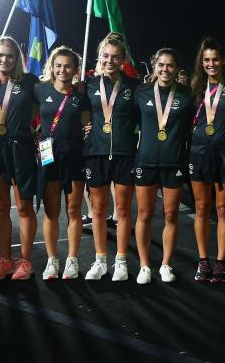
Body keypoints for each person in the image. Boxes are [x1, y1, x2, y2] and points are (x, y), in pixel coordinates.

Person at [133, 48, 193, 284]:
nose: (165, 69)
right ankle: (144, 265)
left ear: (177, 69)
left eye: (170, 65)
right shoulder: (142, 92)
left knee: (170, 214)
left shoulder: (187, 95)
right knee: (145, 214)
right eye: (161, 65)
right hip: (146, 160)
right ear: (154, 66)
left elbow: (189, 128)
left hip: (173, 161)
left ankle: (166, 264)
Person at [0, 36, 40, 280]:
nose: (4, 59)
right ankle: (5, 259)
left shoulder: (29, 82)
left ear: (17, 59)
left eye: (10, 55)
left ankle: (25, 261)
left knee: (24, 206)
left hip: (21, 147)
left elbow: (44, 106)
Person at [83, 33, 140, 281]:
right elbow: (81, 112)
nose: (110, 60)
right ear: (99, 57)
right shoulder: (89, 85)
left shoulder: (134, 87)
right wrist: (85, 126)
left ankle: (121, 261)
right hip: (95, 152)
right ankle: (100, 260)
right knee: (98, 210)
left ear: (123, 59)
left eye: (115, 57)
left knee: (123, 210)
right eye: (106, 56)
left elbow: (143, 119)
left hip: (125, 154)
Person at [35, 47, 91, 280]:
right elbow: (29, 118)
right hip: (49, 157)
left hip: (75, 157)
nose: (62, 70)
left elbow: (87, 126)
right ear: (52, 66)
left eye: (68, 66)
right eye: (58, 65)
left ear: (75, 69)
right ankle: (52, 260)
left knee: (74, 210)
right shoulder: (39, 90)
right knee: (51, 211)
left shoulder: (81, 95)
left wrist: (88, 130)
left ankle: (72, 260)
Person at [189, 37, 225, 283]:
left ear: (223, 61)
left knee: (222, 209)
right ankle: (203, 261)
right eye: (206, 59)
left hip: (224, 154)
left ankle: (220, 262)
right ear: (202, 61)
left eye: (215, 59)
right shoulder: (194, 88)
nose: (211, 64)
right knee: (201, 208)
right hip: (198, 153)